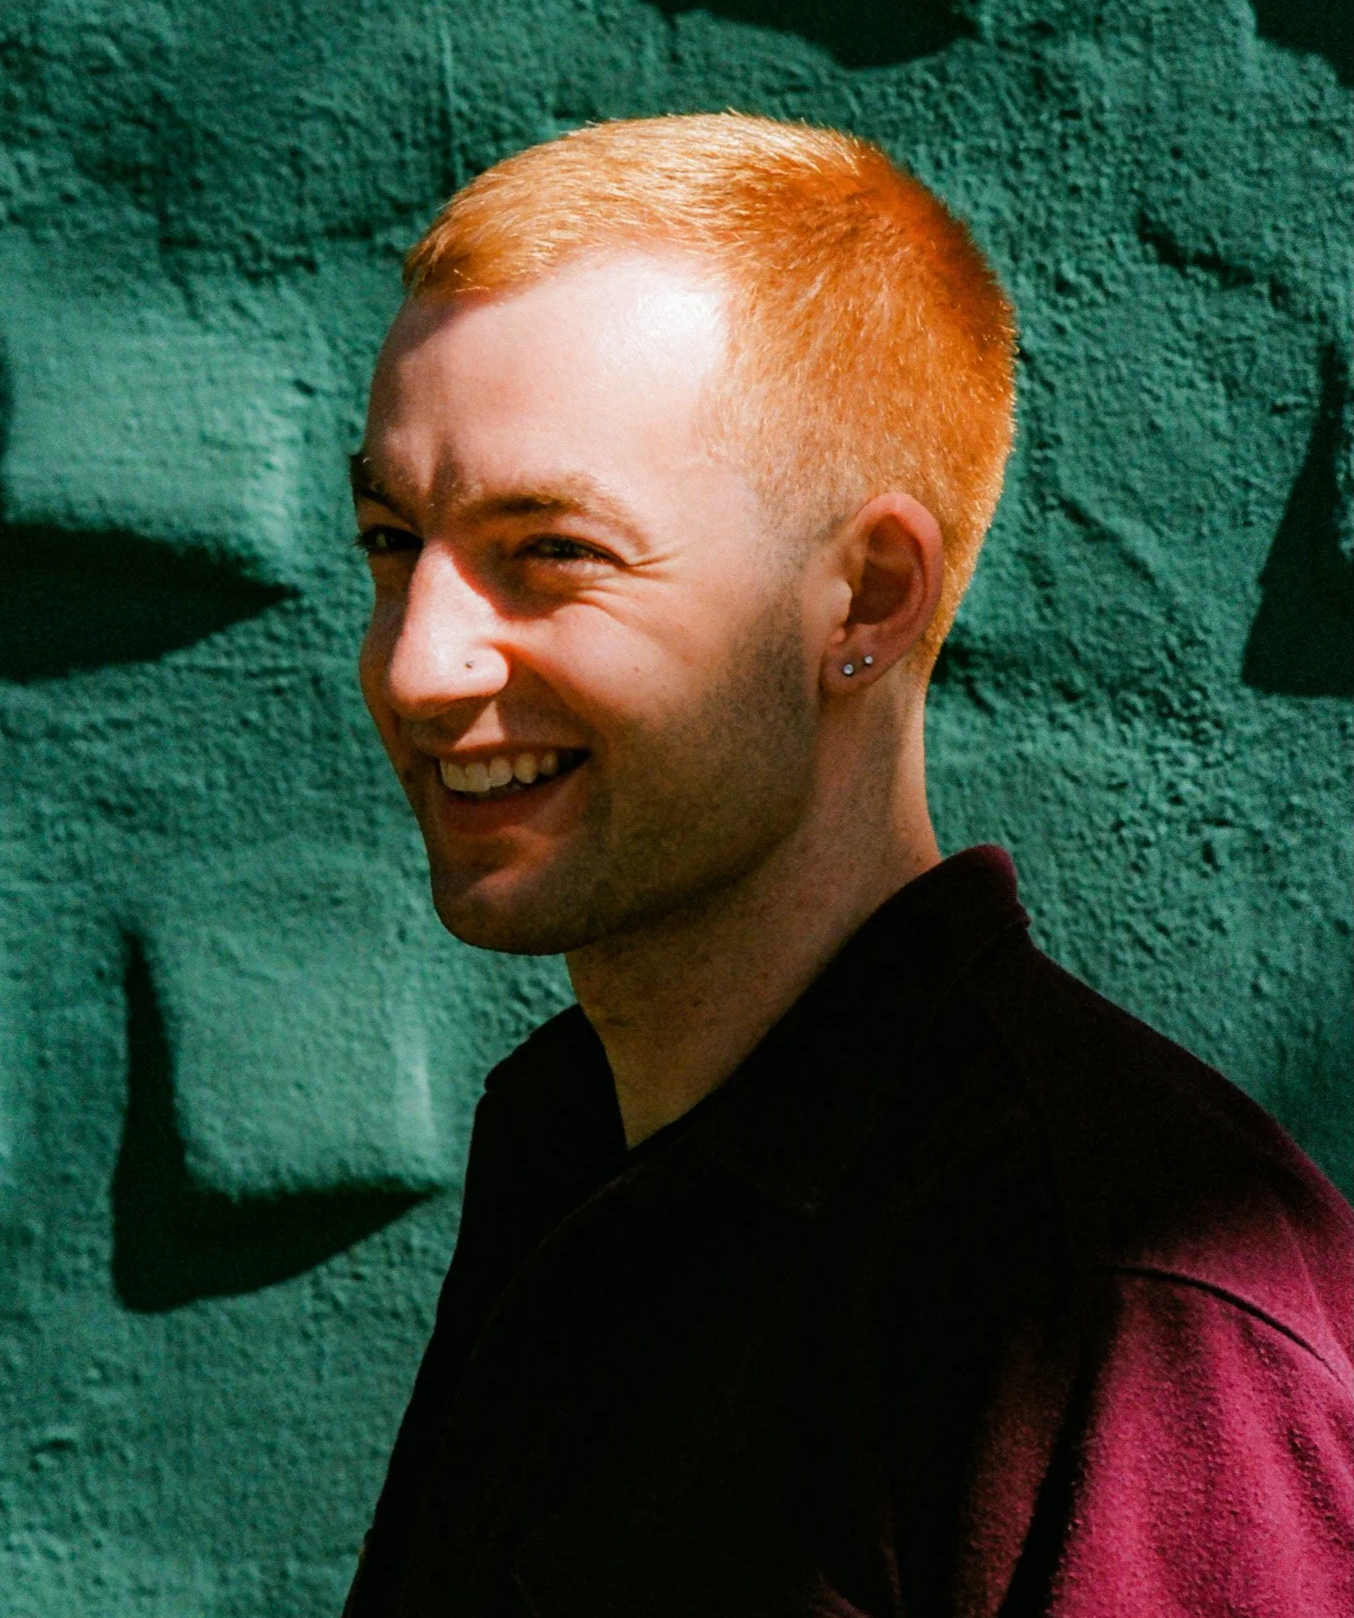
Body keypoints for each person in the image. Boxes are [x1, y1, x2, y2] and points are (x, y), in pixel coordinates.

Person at [341, 114, 1352, 1617]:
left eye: (549, 550)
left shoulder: (1102, 1289)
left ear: (864, 595)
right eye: (389, 537)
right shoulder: (576, 1144)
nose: (417, 666)